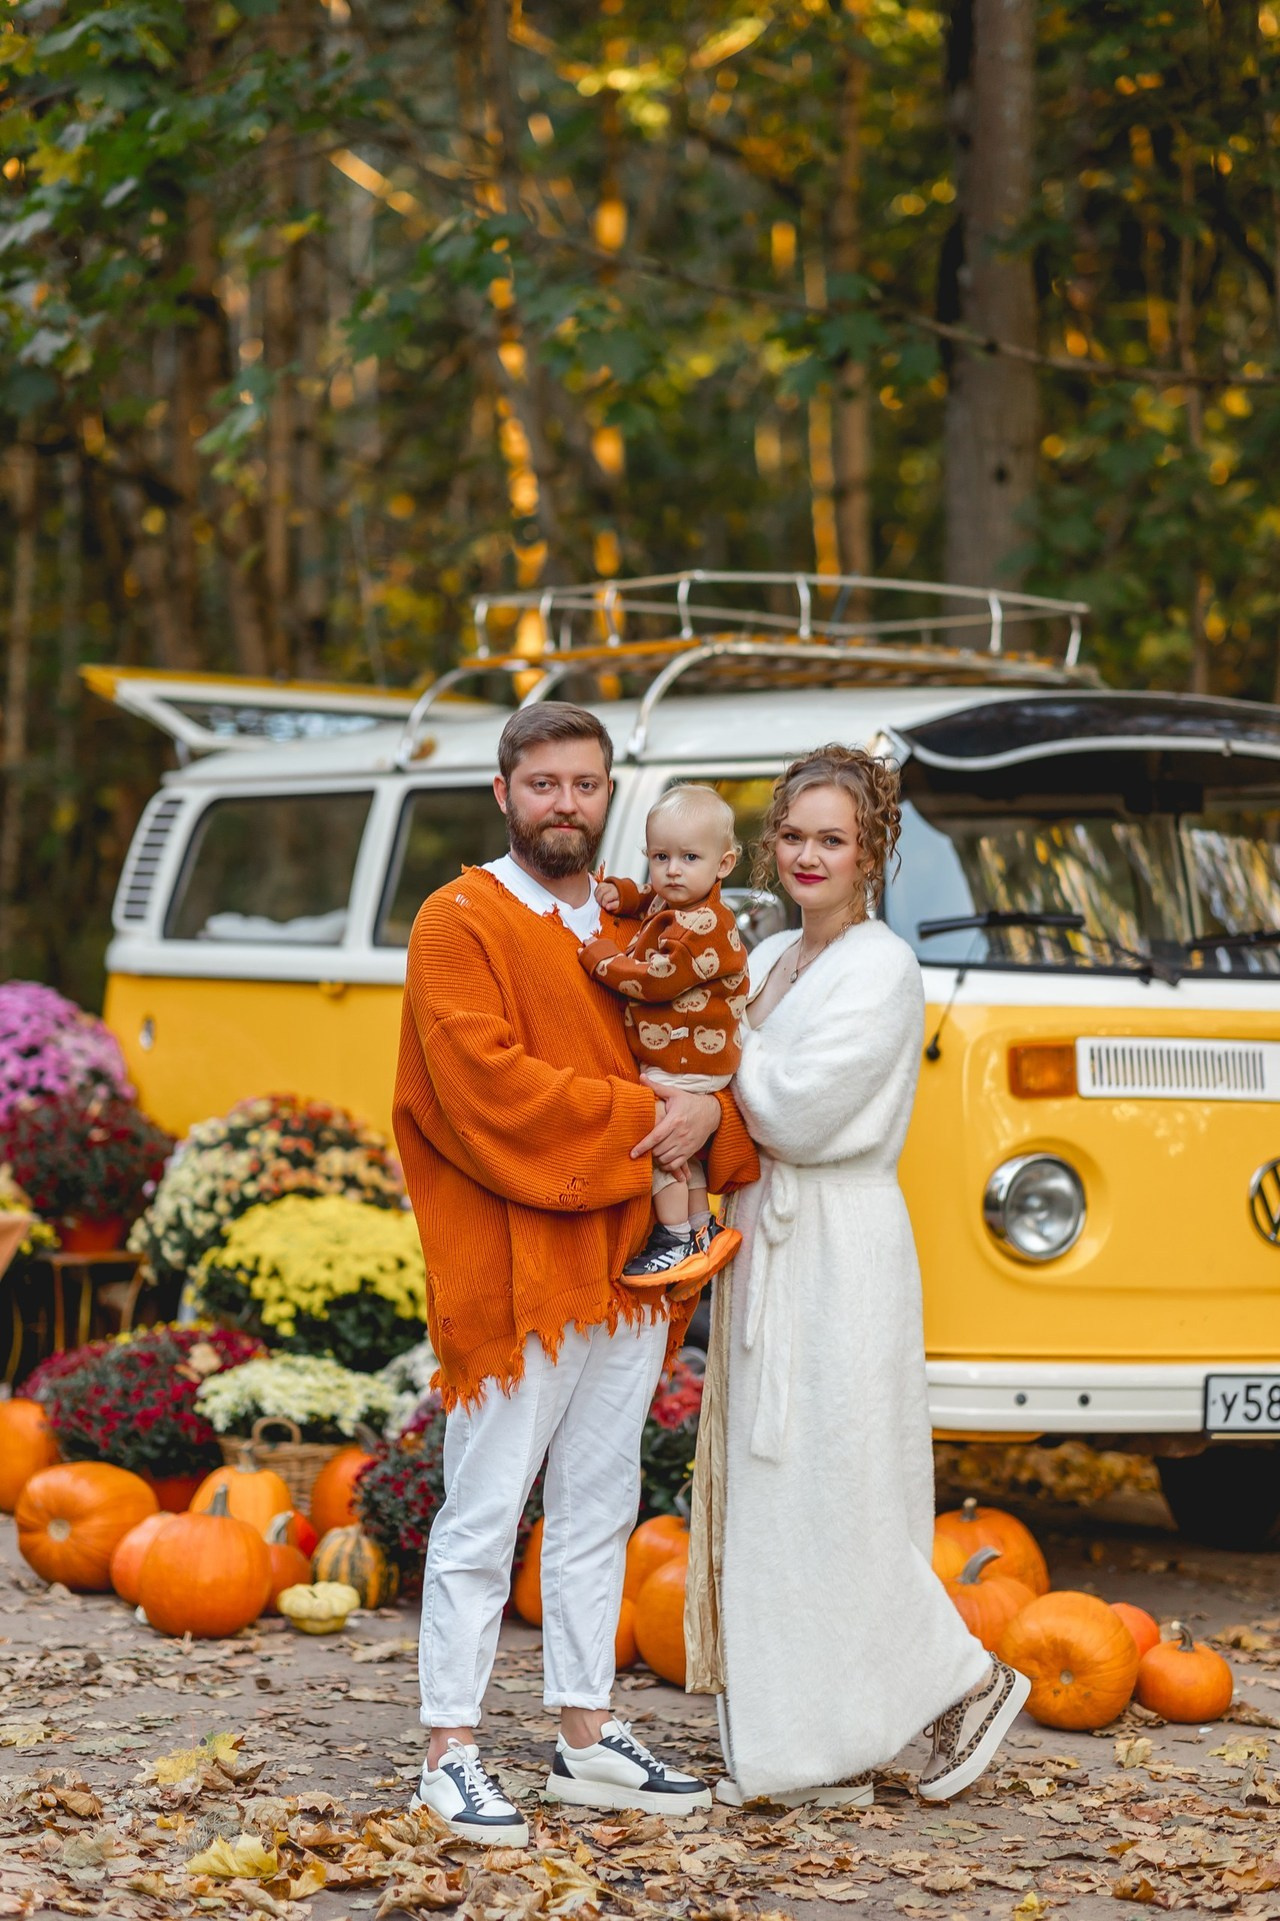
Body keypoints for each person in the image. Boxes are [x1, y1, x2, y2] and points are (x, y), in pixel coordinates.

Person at [392, 702, 758, 1844]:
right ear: (503, 793)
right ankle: (448, 1748)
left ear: (611, 793)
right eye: (542, 783)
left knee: (601, 1500)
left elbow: (716, 1056)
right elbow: (494, 1097)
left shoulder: (641, 915)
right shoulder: (459, 922)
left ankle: (585, 1737)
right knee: (486, 1504)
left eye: (585, 785)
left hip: (632, 1263)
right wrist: (672, 1119)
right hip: (521, 1267)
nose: (565, 804)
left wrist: (710, 1113)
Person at [686, 743, 1030, 1808]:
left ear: (871, 849)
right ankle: (815, 1739)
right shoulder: (773, 955)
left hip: (839, 1249)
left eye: (830, 838)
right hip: (771, 1242)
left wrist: (717, 1040)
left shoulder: (880, 965)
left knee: (841, 1492)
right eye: (791, 834)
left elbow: (790, 1110)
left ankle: (965, 1681)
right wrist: (724, 1029)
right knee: (782, 1499)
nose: (806, 854)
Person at [580, 783, 747, 1283]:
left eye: (689, 857)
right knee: (687, 1151)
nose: (672, 869)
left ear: (724, 864)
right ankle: (702, 1229)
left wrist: (602, 961)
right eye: (660, 856)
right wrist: (623, 893)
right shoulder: (681, 900)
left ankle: (672, 1238)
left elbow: (657, 980)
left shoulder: (707, 926)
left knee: (660, 1139)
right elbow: (650, 899)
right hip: (684, 1055)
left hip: (690, 1059)